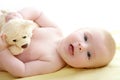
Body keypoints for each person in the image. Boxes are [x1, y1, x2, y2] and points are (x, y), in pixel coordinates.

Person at [0, 7, 116, 77]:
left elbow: (22, 70)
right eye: (85, 38)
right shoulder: (55, 30)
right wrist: (19, 17)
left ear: (84, 68)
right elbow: (37, 12)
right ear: (78, 29)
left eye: (89, 54)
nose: (82, 46)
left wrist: (4, 50)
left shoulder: (53, 63)